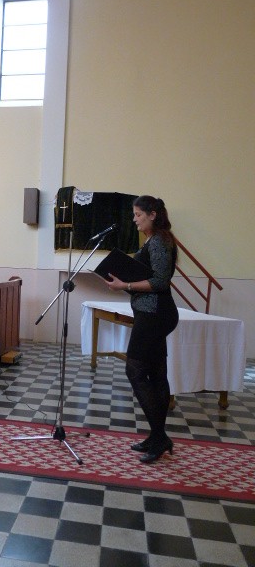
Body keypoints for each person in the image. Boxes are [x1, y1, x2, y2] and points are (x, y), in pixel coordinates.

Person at [104, 196, 179, 464]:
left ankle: (159, 437)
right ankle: (157, 436)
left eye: (138, 214)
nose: (134, 219)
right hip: (153, 313)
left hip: (155, 314)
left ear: (153, 214)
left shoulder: (159, 240)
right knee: (156, 374)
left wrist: (125, 285)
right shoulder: (153, 240)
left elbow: (160, 281)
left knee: (134, 370)